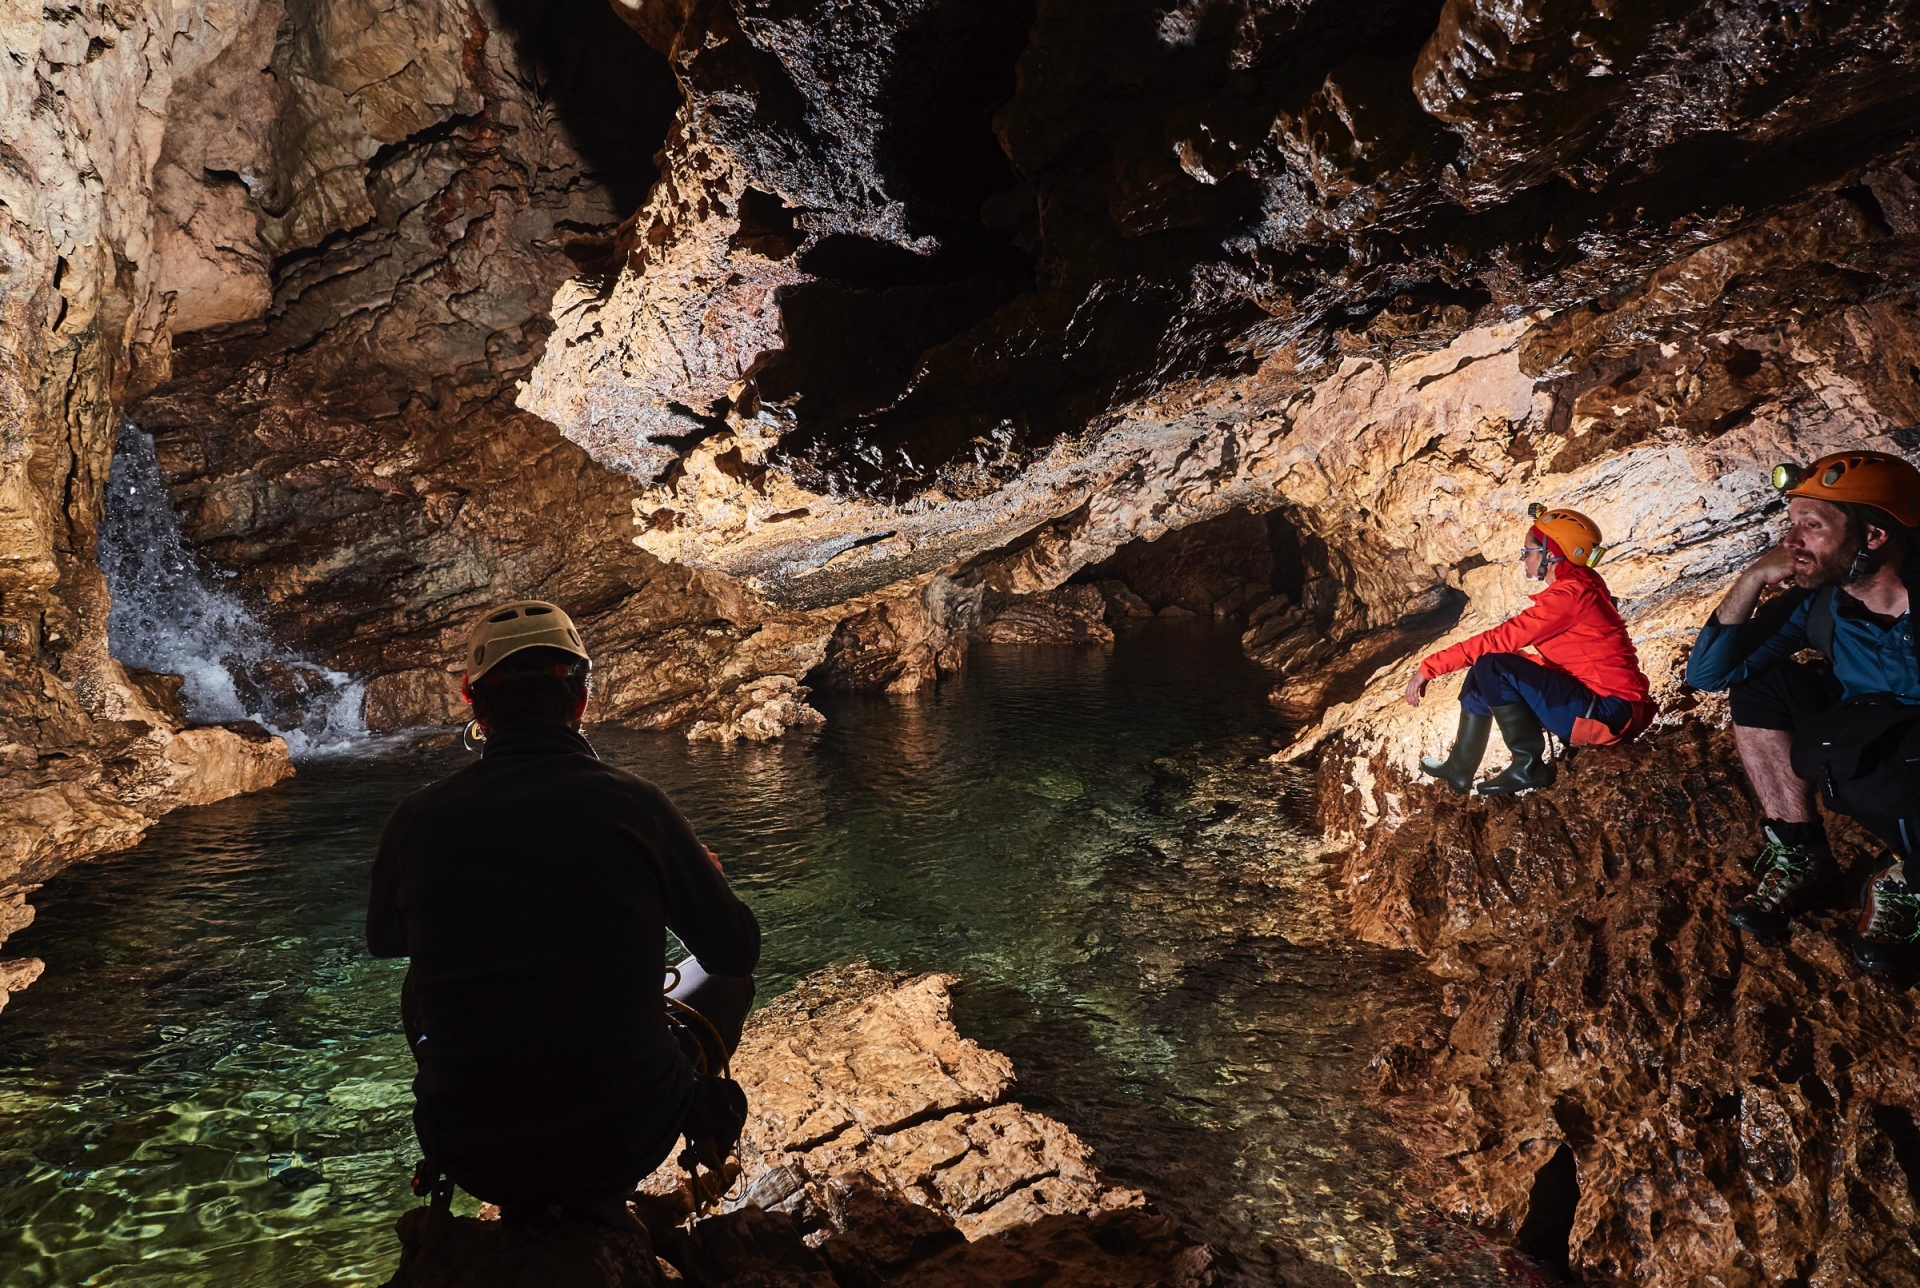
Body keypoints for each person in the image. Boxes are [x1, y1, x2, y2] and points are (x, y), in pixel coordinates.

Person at [367, 600, 760, 1222]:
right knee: (728, 978)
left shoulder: (415, 819)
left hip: (471, 1147)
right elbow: (734, 950)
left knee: (421, 975)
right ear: (580, 700)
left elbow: (387, 940)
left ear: (474, 702)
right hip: (624, 1138)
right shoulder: (638, 806)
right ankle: (690, 1136)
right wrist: (693, 879)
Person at [1684, 450, 1920, 966]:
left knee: (1892, 757)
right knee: (1760, 682)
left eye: (1810, 526)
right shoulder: (1822, 605)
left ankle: (1911, 876)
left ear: (1873, 537)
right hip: (1879, 755)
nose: (1790, 542)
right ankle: (1801, 851)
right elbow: (1708, 675)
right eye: (1791, 524)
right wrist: (1749, 580)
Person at [1406, 504, 1654, 796]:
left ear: (1551, 554)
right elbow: (1577, 661)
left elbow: (1501, 639)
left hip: (1607, 713)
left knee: (1494, 664)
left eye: (1528, 552)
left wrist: (1428, 668)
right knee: (1489, 667)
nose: (1524, 559)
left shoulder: (1571, 596)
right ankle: (1459, 768)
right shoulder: (1582, 587)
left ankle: (1527, 767)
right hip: (1606, 704)